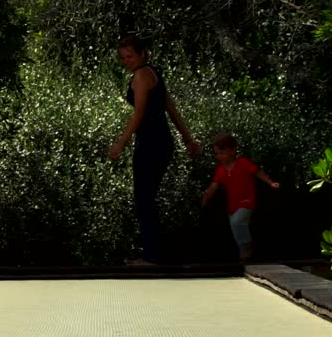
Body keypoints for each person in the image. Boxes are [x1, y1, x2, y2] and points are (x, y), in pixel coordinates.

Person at [108, 34, 200, 265]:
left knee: (144, 198)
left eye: (130, 56)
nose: (126, 61)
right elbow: (171, 108)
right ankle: (154, 253)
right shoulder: (154, 73)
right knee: (146, 197)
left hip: (151, 143)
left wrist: (120, 143)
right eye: (123, 57)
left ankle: (152, 256)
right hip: (162, 142)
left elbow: (139, 113)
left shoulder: (141, 76)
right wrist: (187, 139)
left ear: (142, 54)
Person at [200, 132, 279, 262]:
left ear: (232, 151)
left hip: (247, 201)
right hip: (233, 205)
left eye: (222, 153)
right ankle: (244, 254)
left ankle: (247, 246)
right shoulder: (220, 170)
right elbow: (213, 187)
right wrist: (205, 199)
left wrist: (270, 182)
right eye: (217, 154)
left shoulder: (243, 163)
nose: (219, 156)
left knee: (237, 222)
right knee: (235, 227)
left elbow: (258, 172)